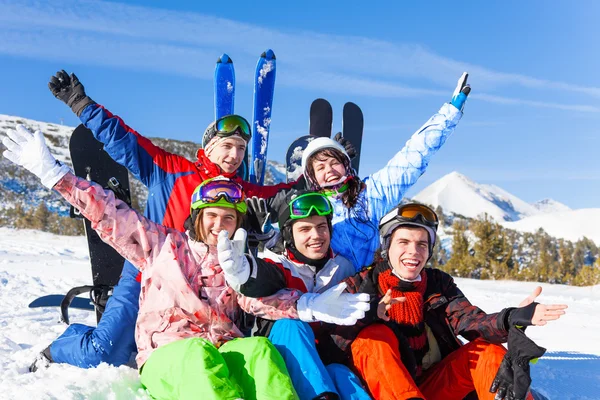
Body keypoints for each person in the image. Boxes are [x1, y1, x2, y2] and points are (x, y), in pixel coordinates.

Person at [2, 125, 370, 399]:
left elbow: (256, 301)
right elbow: (110, 214)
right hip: (170, 355)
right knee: (196, 355)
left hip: (223, 349)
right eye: (212, 215)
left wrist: (306, 305)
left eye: (229, 218)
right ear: (196, 217)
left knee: (258, 349)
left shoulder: (235, 262)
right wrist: (55, 175)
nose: (220, 224)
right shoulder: (161, 245)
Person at [39, 70, 298, 369]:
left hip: (205, 292)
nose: (235, 154)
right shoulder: (171, 170)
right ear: (209, 147)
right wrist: (80, 103)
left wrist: (327, 168)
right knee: (103, 353)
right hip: (145, 273)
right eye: (227, 145)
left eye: (241, 148)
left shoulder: (243, 193)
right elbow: (122, 140)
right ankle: (60, 347)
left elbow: (288, 195)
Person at [319, 203, 567, 400]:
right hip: (379, 390)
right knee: (373, 337)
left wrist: (510, 317)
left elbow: (469, 321)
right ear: (387, 247)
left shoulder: (437, 283)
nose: (413, 252)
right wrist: (369, 313)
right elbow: (332, 344)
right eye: (403, 242)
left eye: (422, 244)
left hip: (434, 386)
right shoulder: (360, 284)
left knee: (487, 352)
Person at [296, 73, 471, 271]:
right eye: (320, 167)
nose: (329, 170)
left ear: (346, 164)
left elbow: (412, 158)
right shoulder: (312, 208)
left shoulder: (372, 193)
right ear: (313, 176)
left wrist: (450, 113)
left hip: (375, 284)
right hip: (331, 291)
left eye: (334, 162)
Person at [218, 191, 373, 400]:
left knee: (341, 373)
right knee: (291, 326)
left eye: (321, 227)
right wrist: (246, 273)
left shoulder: (343, 267)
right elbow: (265, 278)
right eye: (305, 229)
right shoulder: (281, 263)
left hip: (326, 356)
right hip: (285, 357)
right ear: (289, 234)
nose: (316, 236)